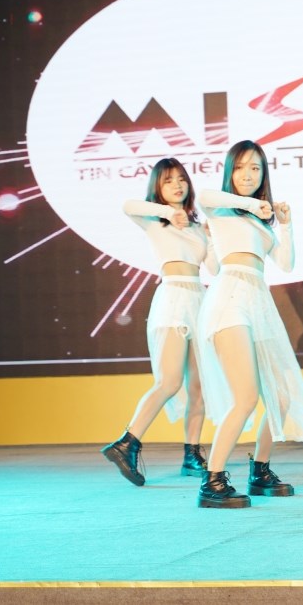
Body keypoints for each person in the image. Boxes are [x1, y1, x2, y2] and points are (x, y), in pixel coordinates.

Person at [195, 140, 303, 508]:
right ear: (229, 171)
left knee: (280, 395)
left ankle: (260, 470)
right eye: (240, 167)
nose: (248, 175)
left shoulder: (261, 222)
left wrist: (286, 225)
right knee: (246, 397)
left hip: (258, 302)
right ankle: (212, 480)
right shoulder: (220, 208)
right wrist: (252, 205)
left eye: (255, 168)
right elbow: (205, 196)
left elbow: (286, 262)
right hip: (230, 298)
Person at [102, 158, 217, 485]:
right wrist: (167, 212)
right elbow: (128, 205)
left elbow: (215, 268)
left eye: (181, 179)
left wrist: (213, 238)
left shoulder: (198, 227)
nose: (177, 185)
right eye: (168, 181)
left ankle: (192, 454)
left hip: (199, 300)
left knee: (199, 387)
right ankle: (126, 443)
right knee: (169, 382)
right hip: (173, 300)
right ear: (158, 187)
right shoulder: (155, 221)